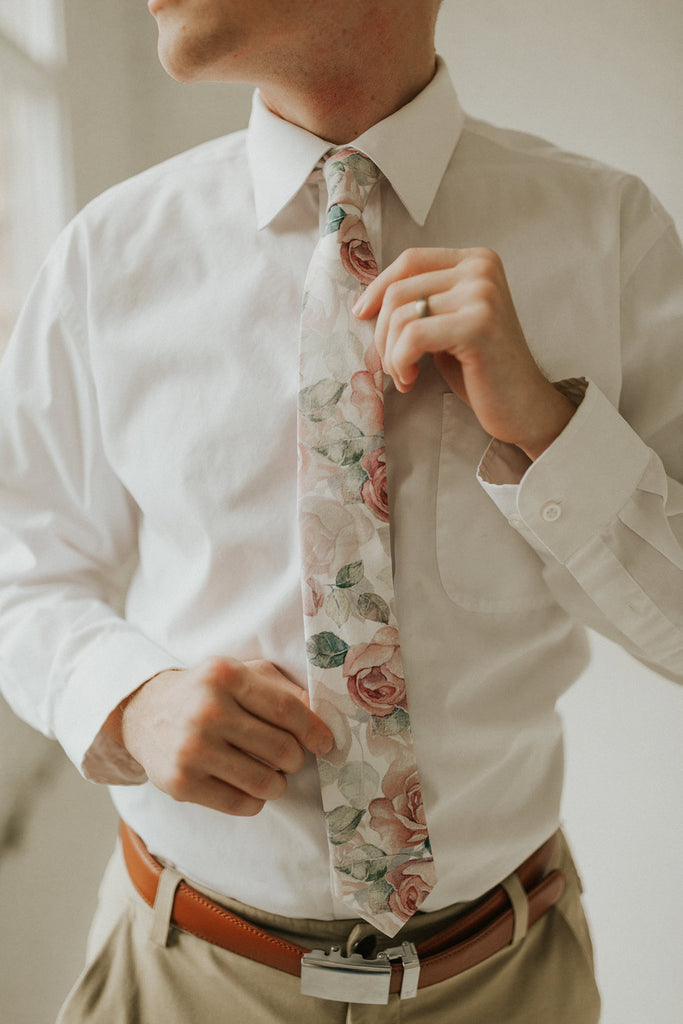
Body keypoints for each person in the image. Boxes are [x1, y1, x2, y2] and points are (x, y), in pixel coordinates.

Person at [0, 0, 681, 1020]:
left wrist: (545, 428)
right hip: (182, 973)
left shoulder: (606, 232)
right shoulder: (110, 254)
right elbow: (22, 568)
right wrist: (128, 699)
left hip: (505, 980)